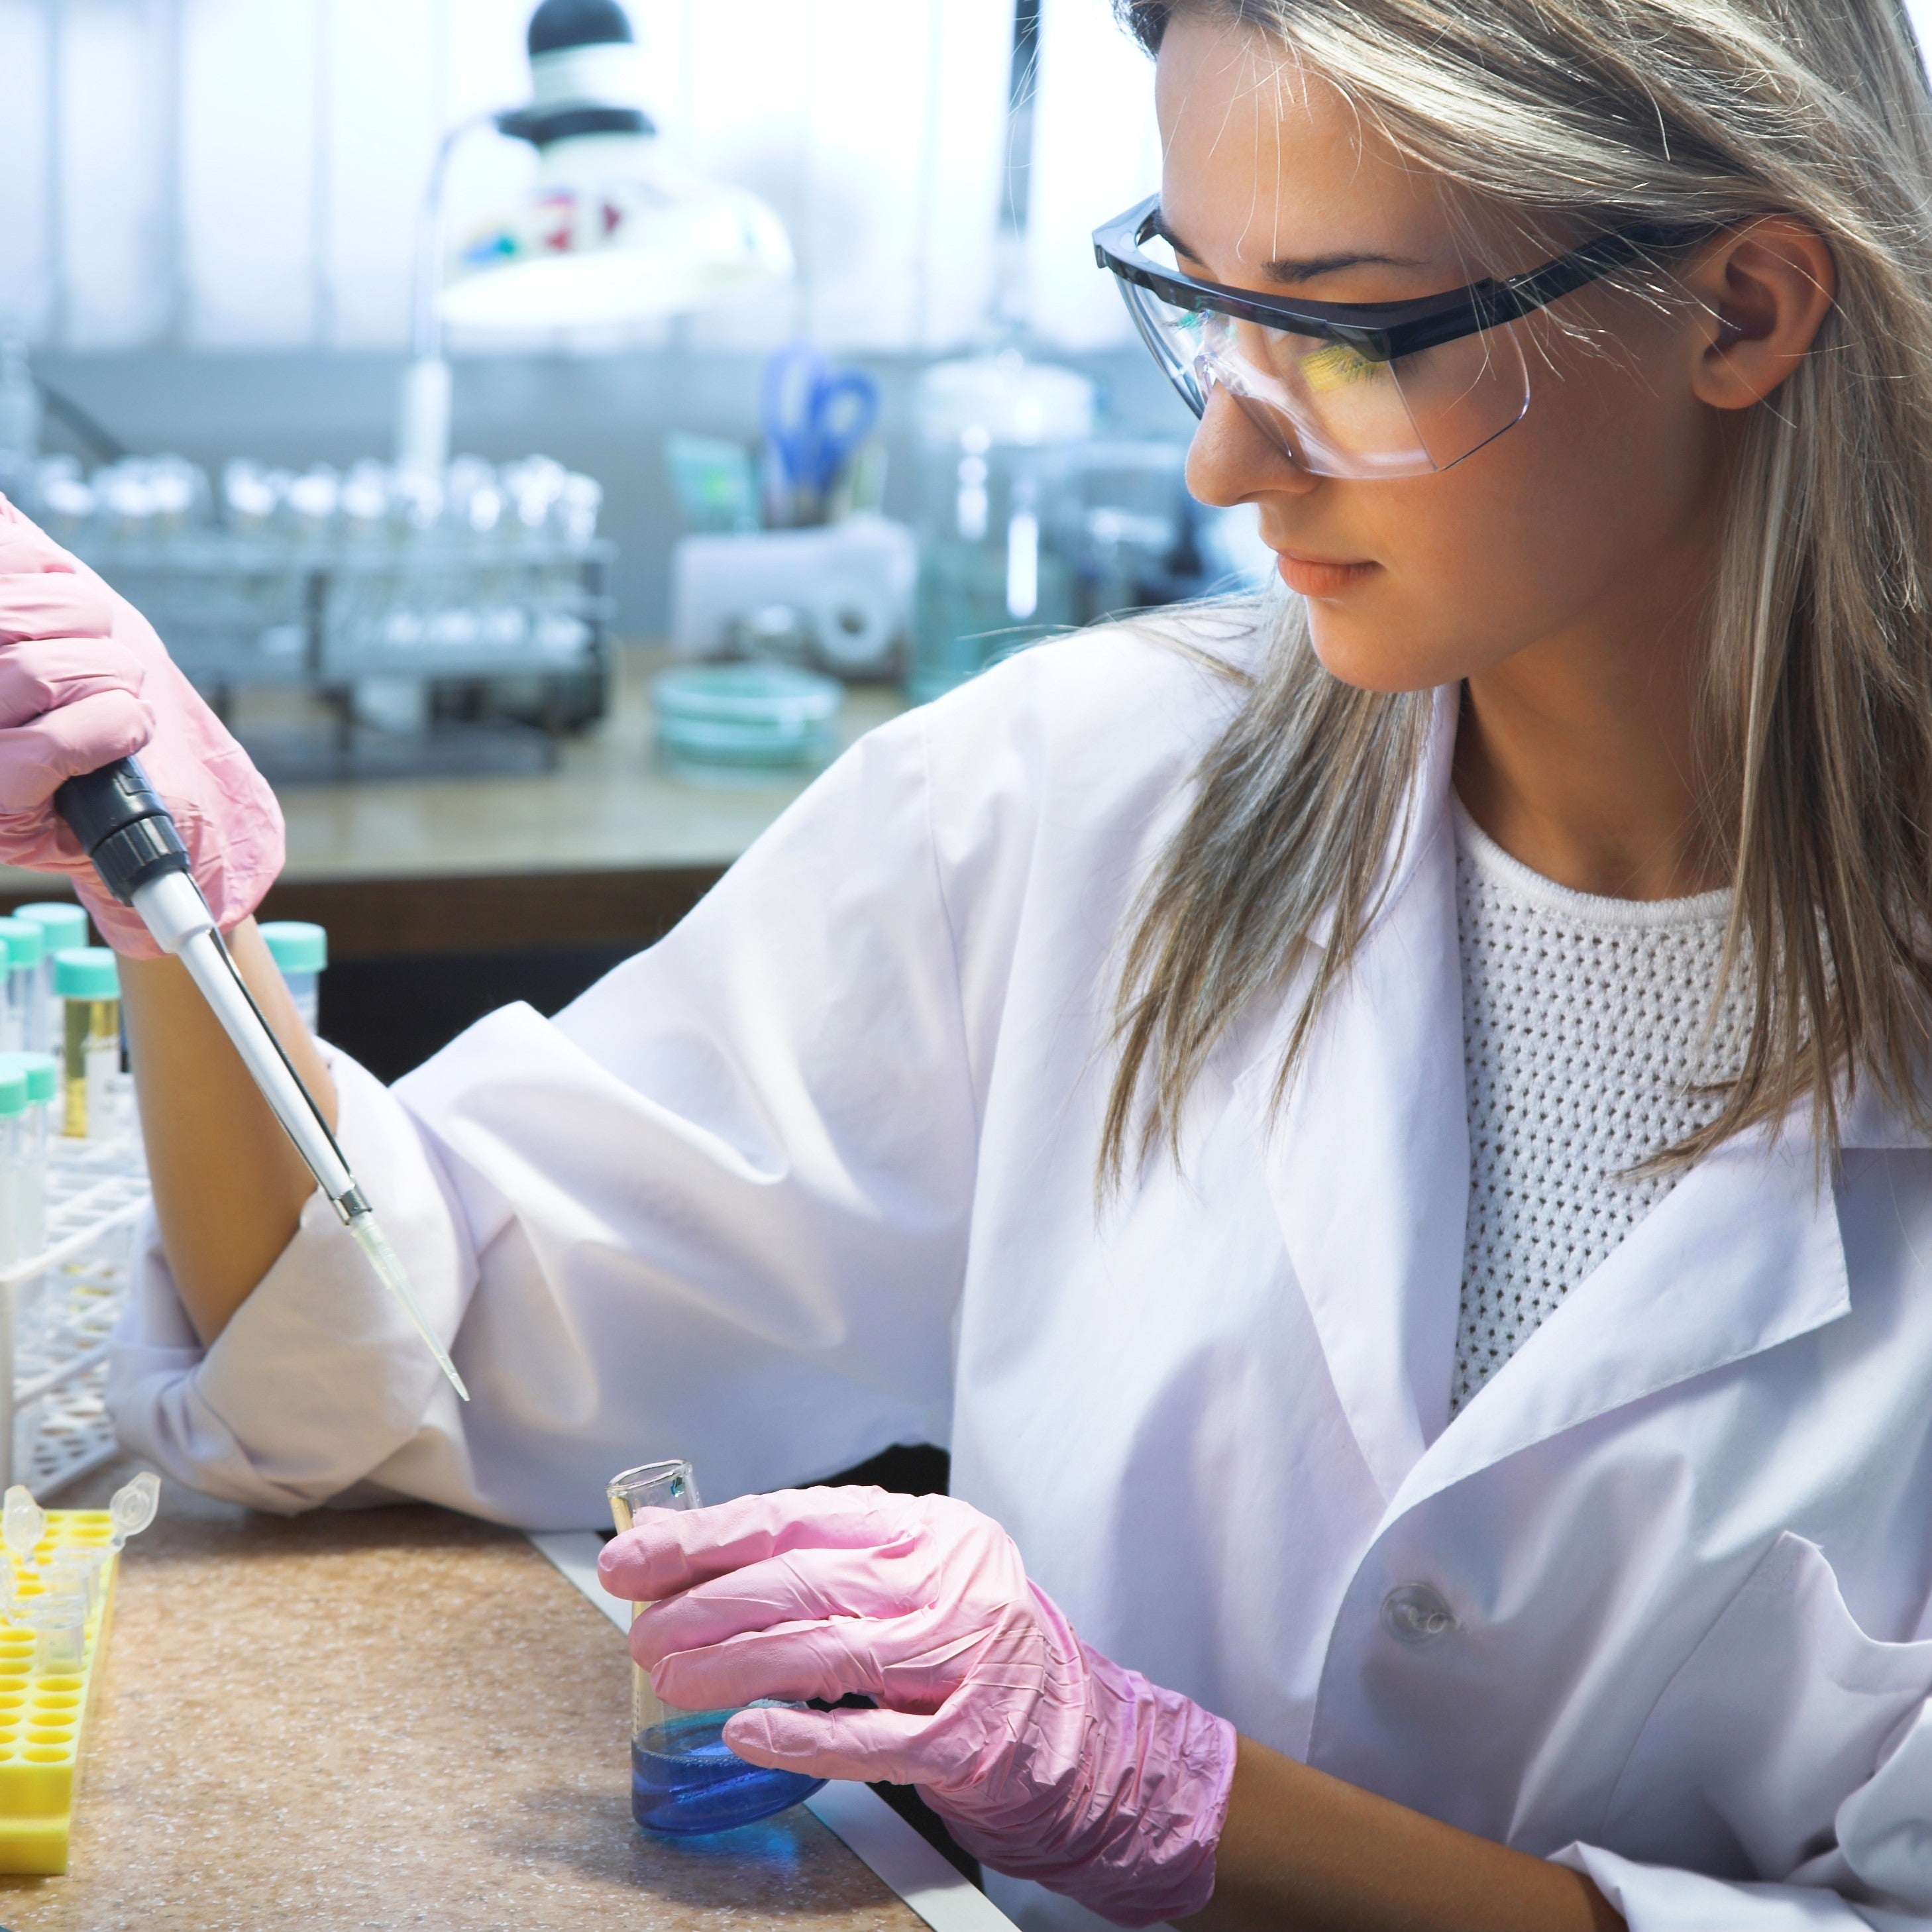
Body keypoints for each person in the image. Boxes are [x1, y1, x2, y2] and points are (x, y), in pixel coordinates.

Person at [1, 0, 1929, 1923]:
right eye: (1204, 305)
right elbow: (389, 1347)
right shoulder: (1082, 791)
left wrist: (1173, 1796)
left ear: (1741, 311)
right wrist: (180, 901)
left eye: (1341, 333)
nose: (1227, 468)